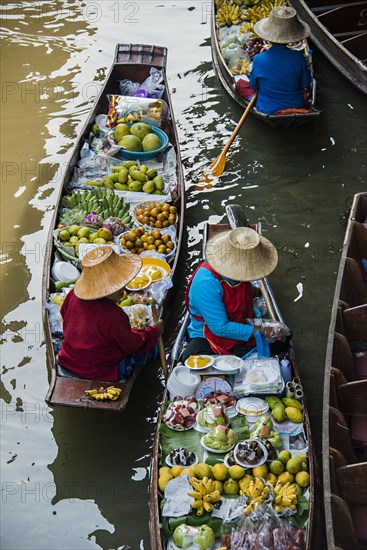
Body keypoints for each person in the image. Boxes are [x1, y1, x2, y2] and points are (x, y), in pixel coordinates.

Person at [182, 227, 289, 362]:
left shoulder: (236, 275)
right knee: (191, 359)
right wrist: (260, 330)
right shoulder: (206, 283)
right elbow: (220, 328)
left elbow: (242, 290)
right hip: (211, 333)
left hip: (241, 319)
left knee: (284, 338)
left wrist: (256, 292)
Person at [57, 246, 163, 382]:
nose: (123, 290)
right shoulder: (114, 316)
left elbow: (64, 315)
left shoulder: (73, 295)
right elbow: (132, 346)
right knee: (151, 347)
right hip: (101, 371)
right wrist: (153, 331)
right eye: (117, 285)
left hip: (68, 359)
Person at [236, 6, 312, 115]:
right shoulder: (298, 57)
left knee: (240, 84)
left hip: (267, 108)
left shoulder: (258, 59)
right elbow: (306, 83)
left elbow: (254, 86)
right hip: (296, 105)